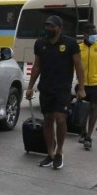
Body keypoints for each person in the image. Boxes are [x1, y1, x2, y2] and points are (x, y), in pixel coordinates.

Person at [25, 15, 85, 169]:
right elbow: (37, 66)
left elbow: (78, 66)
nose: (49, 29)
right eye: (47, 26)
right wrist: (30, 86)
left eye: (52, 26)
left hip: (62, 89)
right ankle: (50, 154)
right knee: (48, 120)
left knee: (60, 118)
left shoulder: (70, 44)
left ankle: (59, 152)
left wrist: (81, 87)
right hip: (45, 88)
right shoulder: (40, 43)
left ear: (60, 28)